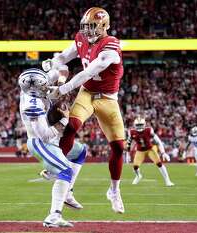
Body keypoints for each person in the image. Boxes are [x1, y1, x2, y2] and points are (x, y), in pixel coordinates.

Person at [43, 7, 125, 213]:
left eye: (92, 27)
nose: (88, 31)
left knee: (119, 148)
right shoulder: (81, 39)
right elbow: (62, 57)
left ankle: (114, 191)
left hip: (107, 99)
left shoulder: (110, 47)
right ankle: (57, 166)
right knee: (72, 126)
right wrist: (54, 65)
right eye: (86, 27)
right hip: (87, 94)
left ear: (104, 26)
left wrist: (62, 89)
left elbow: (88, 72)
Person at [19, 68, 86, 228]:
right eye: (44, 85)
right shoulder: (32, 104)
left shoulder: (33, 87)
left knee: (80, 152)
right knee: (65, 171)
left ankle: (67, 192)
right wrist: (64, 119)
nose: (46, 86)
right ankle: (54, 215)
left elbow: (60, 69)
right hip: (40, 143)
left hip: (51, 140)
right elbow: (45, 136)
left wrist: (61, 81)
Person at [127, 116, 174, 186]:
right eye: (138, 125)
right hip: (140, 151)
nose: (139, 127)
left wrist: (163, 152)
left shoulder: (148, 130)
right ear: (134, 125)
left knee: (159, 164)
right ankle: (138, 176)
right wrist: (127, 155)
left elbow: (158, 141)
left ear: (144, 124)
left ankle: (167, 180)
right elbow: (128, 143)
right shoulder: (131, 132)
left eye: (141, 125)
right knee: (135, 167)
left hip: (150, 149)